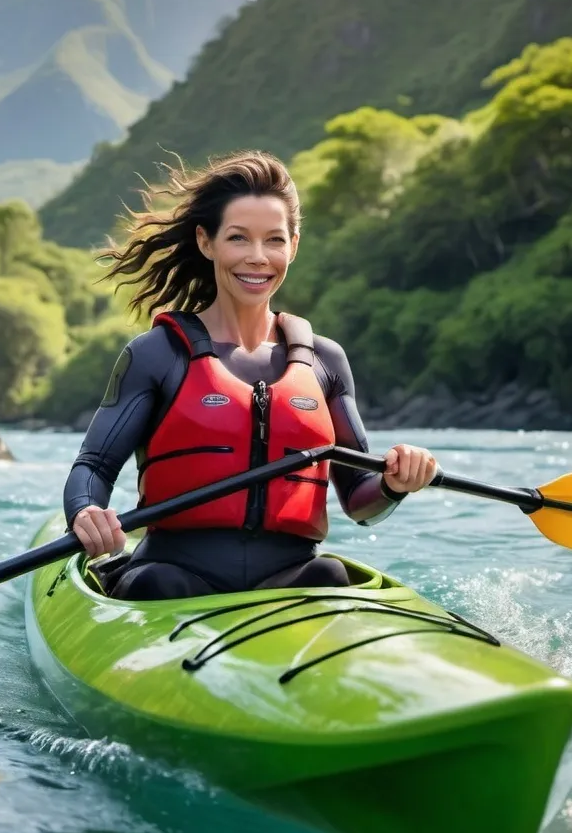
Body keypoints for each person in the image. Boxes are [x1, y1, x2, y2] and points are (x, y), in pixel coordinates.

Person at [64, 150, 437, 601]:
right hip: (171, 576)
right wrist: (86, 512)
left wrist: (394, 483)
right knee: (157, 584)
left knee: (330, 576)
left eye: (274, 241)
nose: (258, 258)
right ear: (207, 242)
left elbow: (360, 499)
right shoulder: (157, 354)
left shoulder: (325, 361)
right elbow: (95, 466)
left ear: (294, 246)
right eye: (239, 239)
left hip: (290, 580)